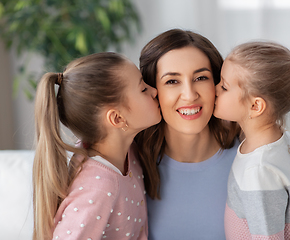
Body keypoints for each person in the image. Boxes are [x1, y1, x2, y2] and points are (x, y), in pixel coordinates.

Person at [32, 52, 161, 240]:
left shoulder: (126, 151)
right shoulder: (98, 188)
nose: (154, 90)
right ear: (117, 118)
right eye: (143, 89)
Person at [214, 41, 290, 239]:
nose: (215, 89)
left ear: (255, 106)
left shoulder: (259, 170)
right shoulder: (283, 140)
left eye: (224, 87)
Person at [134, 29, 240, 240]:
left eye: (201, 77)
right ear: (152, 90)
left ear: (218, 84)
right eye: (172, 81)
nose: (190, 95)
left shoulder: (252, 154)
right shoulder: (129, 162)